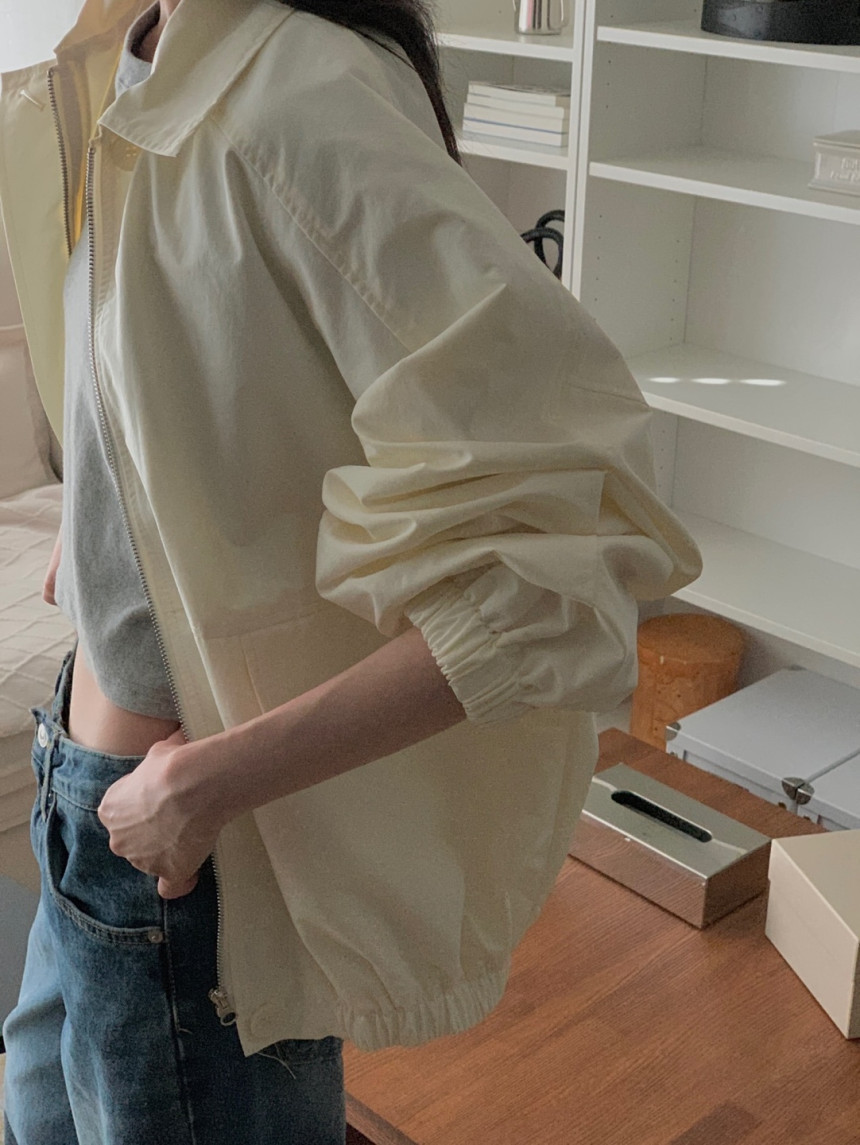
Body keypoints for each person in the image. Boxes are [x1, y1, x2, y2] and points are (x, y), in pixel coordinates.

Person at [0, 0, 702, 1140]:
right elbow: (186, 367)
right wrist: (102, 537)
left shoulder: (294, 86)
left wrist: (206, 787)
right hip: (86, 804)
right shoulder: (134, 51)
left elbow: (548, 569)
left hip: (192, 861)